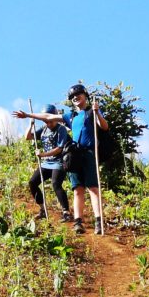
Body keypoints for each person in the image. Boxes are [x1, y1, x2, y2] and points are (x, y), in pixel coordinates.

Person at [58, 83, 108, 234]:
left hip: (89, 153)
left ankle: (99, 221)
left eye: (78, 95)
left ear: (85, 95)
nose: (75, 98)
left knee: (93, 187)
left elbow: (104, 126)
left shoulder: (91, 112)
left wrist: (97, 112)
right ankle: (78, 222)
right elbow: (49, 117)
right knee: (77, 189)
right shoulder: (70, 116)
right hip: (74, 155)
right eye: (72, 97)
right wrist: (28, 116)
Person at [17, 104, 72, 221]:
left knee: (56, 184)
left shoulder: (61, 129)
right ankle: (42, 209)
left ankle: (66, 212)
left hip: (59, 161)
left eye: (50, 121)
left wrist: (43, 154)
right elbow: (28, 137)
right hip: (47, 163)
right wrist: (30, 124)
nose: (48, 123)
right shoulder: (44, 130)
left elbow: (59, 148)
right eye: (45, 121)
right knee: (32, 182)